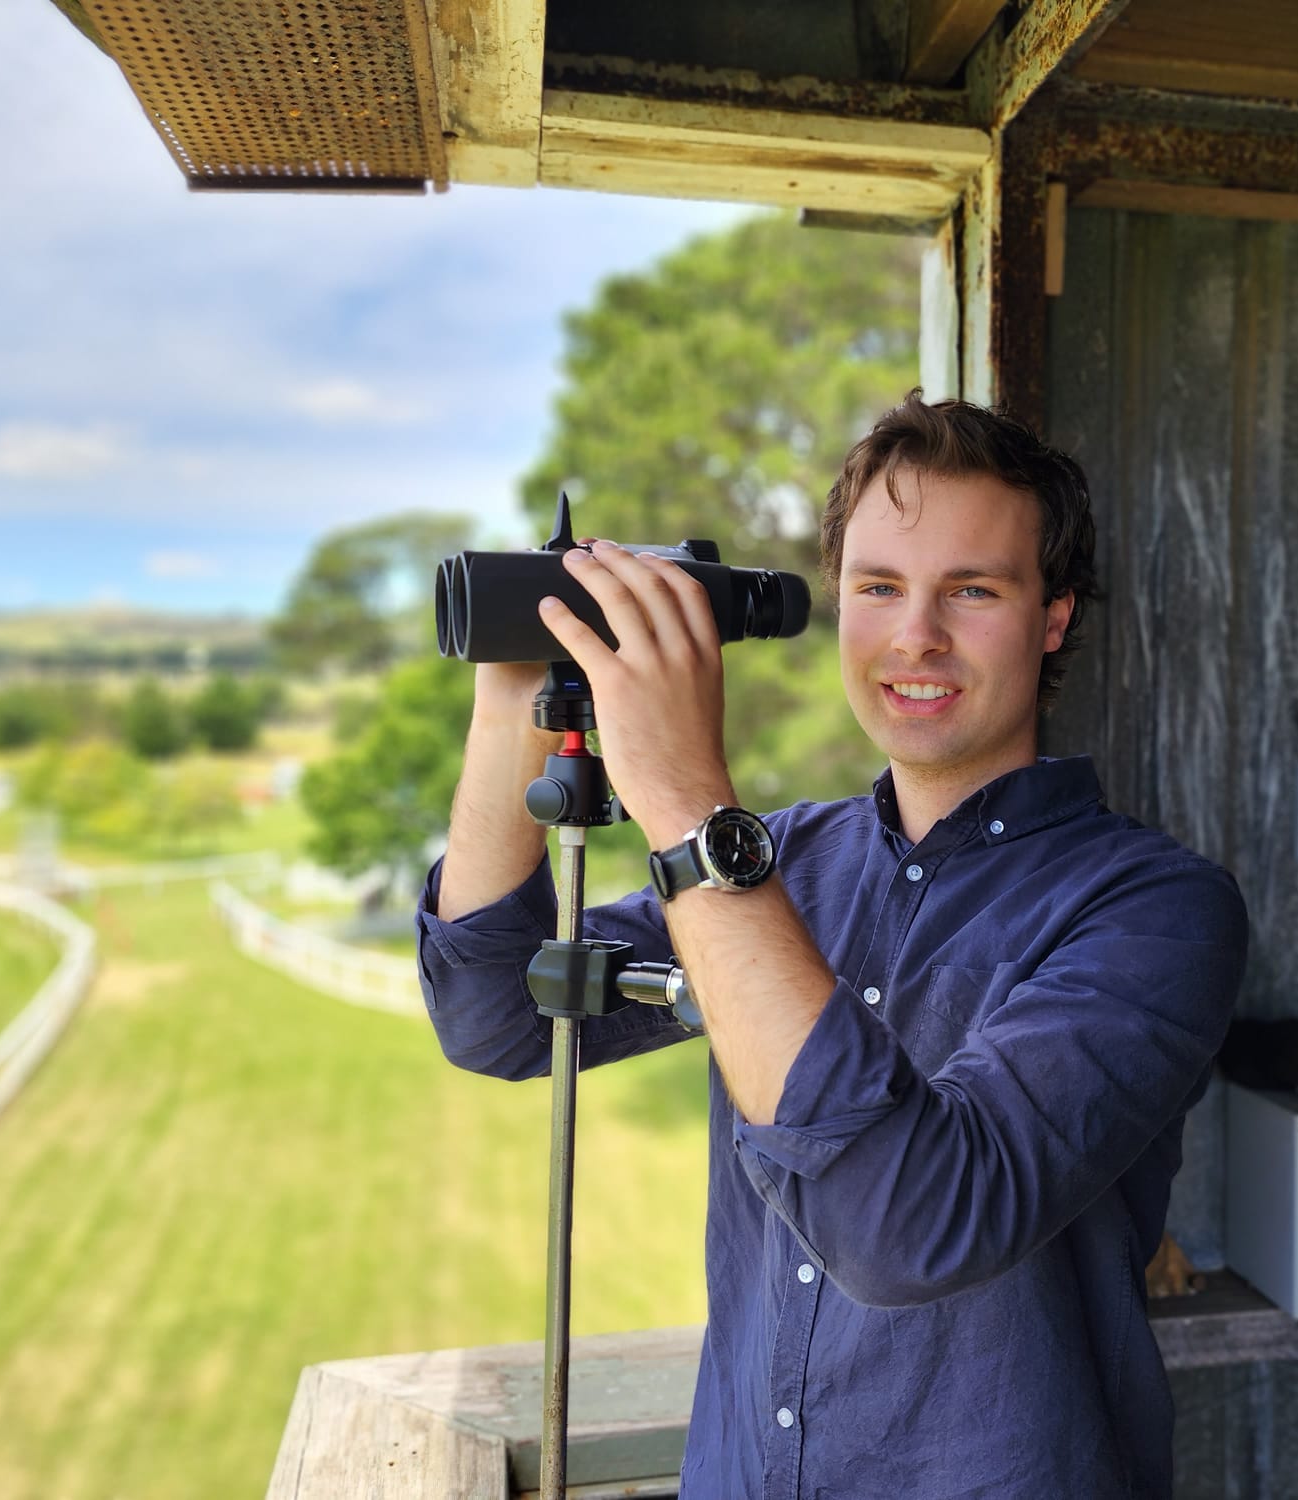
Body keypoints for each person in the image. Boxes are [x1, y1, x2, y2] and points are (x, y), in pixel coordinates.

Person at [416, 393, 1248, 1499]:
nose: (915, 636)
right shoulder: (782, 867)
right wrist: (512, 697)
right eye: (879, 588)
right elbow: (498, 1016)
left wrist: (678, 793)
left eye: (972, 589)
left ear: (1052, 617)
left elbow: (907, 1229)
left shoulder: (1154, 910)